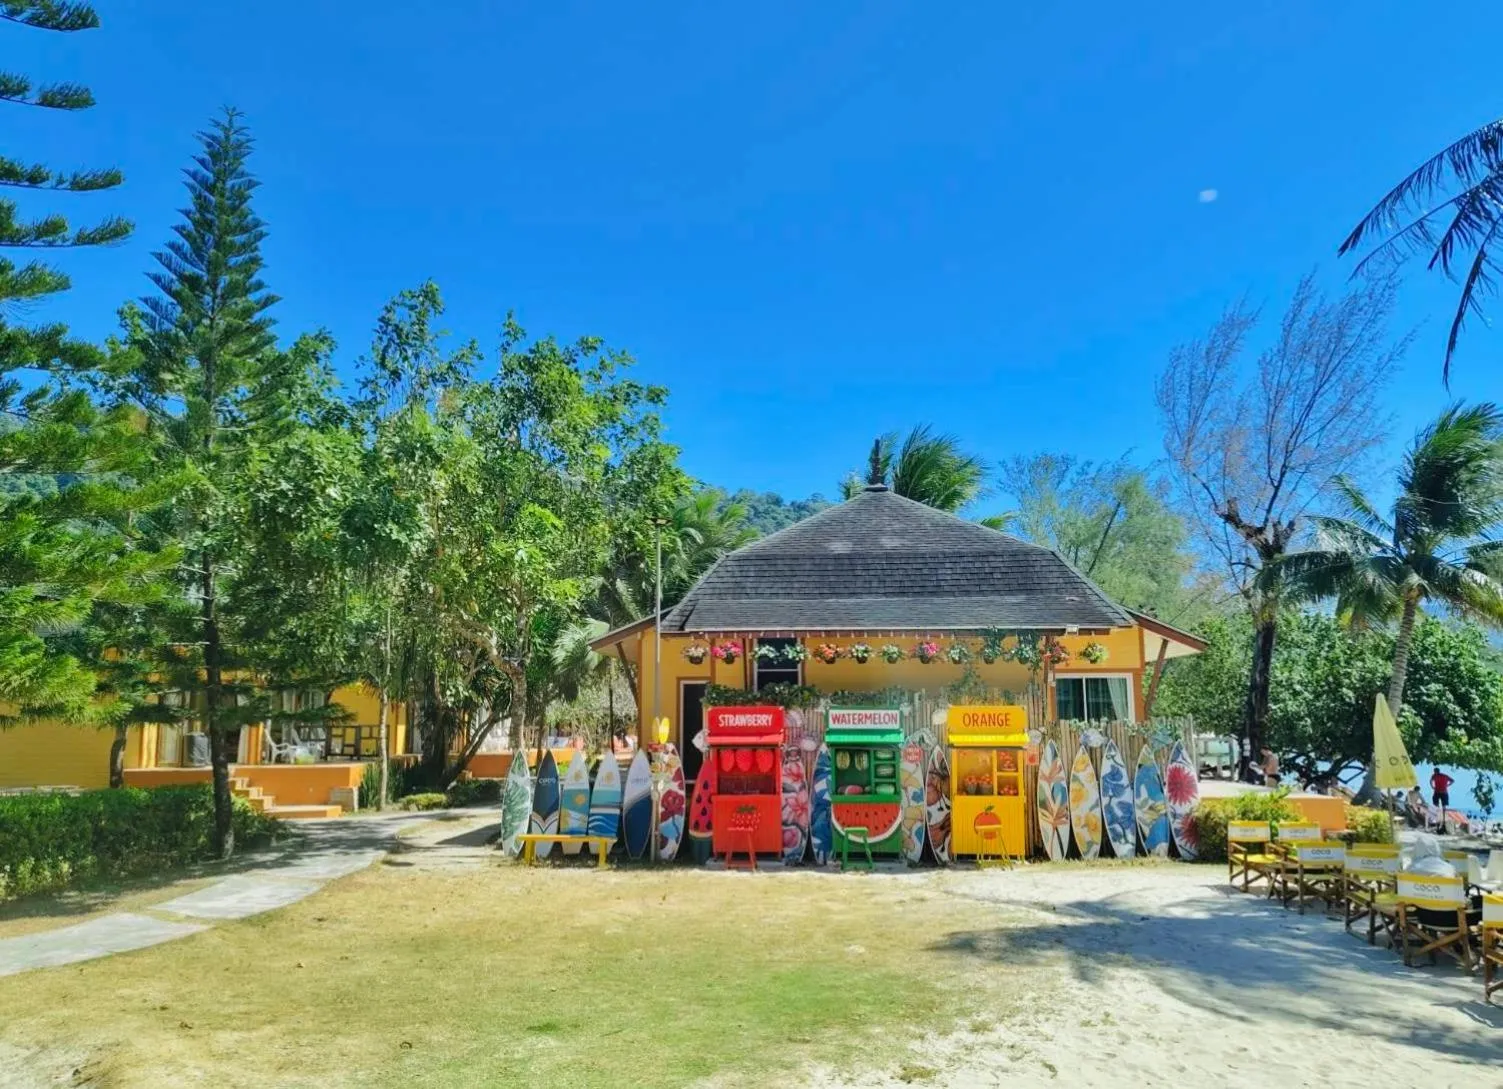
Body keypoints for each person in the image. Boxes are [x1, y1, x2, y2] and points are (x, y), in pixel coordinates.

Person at [1431, 767, 1455, 834]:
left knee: (1437, 803)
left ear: (1435, 771)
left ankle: (1439, 812)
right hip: (1443, 792)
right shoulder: (1444, 776)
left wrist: (1432, 787)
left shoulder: (1434, 776)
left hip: (1438, 791)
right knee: (1443, 805)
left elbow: (1430, 781)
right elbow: (1453, 780)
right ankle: (1442, 813)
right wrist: (1447, 785)